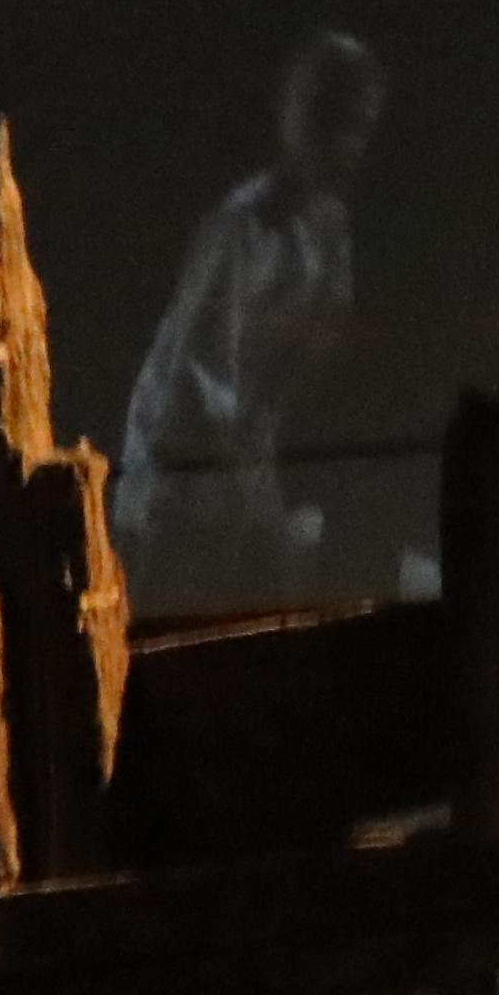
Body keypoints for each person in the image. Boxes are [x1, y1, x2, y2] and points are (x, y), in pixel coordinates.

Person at [119, 31, 382, 588]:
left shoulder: (330, 231)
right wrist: (228, 474)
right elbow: (197, 373)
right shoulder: (239, 228)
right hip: (183, 463)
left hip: (248, 454)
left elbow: (323, 350)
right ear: (294, 118)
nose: (343, 143)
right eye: (329, 122)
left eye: (356, 126)